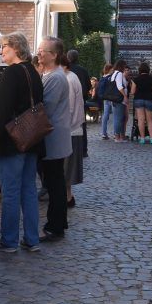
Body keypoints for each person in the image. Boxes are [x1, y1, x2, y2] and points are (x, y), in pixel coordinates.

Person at [0, 32, 45, 253]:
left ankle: (9, 241)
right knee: (28, 190)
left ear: (16, 49)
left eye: (4, 47)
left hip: (13, 140)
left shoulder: (12, 73)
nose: (2, 51)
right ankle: (32, 239)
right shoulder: (32, 71)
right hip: (32, 138)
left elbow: (2, 110)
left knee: (11, 191)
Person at [37, 36, 73, 240]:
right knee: (54, 182)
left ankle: (55, 225)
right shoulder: (51, 74)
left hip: (53, 138)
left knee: (55, 183)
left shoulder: (56, 77)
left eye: (44, 50)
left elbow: (46, 108)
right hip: (54, 136)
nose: (39, 53)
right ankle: (58, 223)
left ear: (55, 55)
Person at [63, 55, 85, 208]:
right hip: (71, 130)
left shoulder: (69, 79)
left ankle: (67, 198)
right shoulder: (70, 77)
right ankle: (67, 197)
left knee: (66, 170)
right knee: (66, 171)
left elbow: (69, 109)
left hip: (69, 131)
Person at [67, 49, 91, 157]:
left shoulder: (66, 71)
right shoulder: (83, 70)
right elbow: (89, 86)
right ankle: (83, 149)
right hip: (82, 100)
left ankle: (69, 148)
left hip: (69, 100)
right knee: (81, 124)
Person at [131, 62, 152, 144]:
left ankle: (142, 138)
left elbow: (132, 92)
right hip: (149, 100)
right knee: (150, 120)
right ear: (148, 70)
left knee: (141, 120)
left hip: (139, 100)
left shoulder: (136, 79)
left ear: (139, 70)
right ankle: (151, 138)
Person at [108, 59, 129, 142]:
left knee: (118, 117)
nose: (125, 67)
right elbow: (120, 87)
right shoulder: (119, 74)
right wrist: (125, 96)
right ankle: (117, 137)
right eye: (124, 66)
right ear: (121, 66)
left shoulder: (114, 73)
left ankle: (118, 136)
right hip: (119, 99)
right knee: (119, 118)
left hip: (115, 99)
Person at [98, 63, 114, 139]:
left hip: (105, 98)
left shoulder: (102, 77)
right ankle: (115, 134)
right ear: (109, 69)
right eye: (112, 69)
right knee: (115, 116)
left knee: (105, 116)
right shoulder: (110, 77)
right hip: (111, 98)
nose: (113, 70)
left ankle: (104, 133)